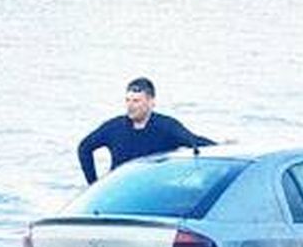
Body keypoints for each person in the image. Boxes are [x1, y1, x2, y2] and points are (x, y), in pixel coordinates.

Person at [76, 78, 214, 184]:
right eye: (127, 100)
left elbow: (195, 143)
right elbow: (84, 147)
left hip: (152, 193)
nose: (130, 106)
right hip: (118, 193)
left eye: (136, 101)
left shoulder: (166, 127)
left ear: (151, 102)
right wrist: (94, 184)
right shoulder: (114, 127)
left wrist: (224, 148)